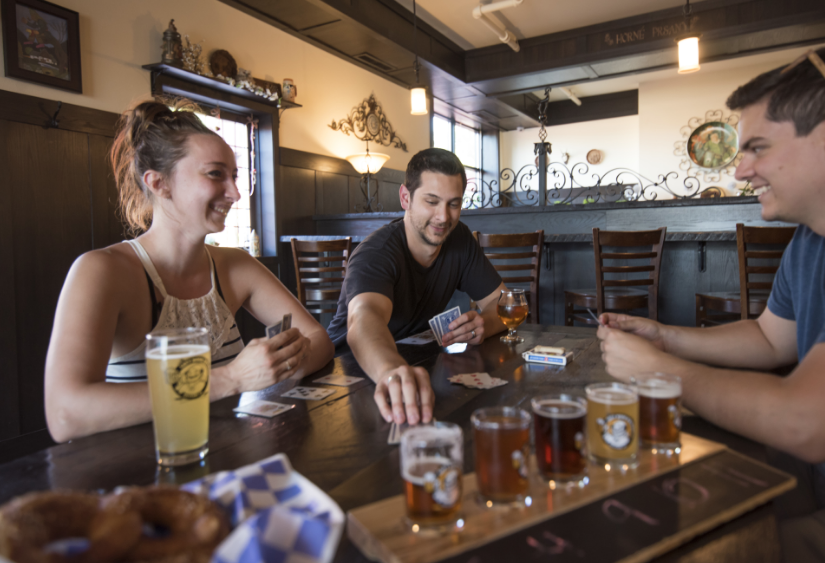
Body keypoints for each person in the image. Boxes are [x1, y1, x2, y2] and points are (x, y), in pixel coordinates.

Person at [598, 45, 825, 562]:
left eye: (756, 147)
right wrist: (666, 337)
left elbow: (808, 423)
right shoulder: (812, 239)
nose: (740, 170)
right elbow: (772, 338)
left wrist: (662, 374)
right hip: (813, 476)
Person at [44, 99, 334, 442]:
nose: (235, 192)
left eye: (234, 176)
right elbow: (65, 414)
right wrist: (233, 379)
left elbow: (318, 341)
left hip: (227, 453)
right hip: (137, 469)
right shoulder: (102, 271)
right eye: (215, 174)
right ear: (158, 183)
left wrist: (274, 364)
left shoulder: (236, 265)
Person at [327, 148, 508, 426]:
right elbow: (364, 321)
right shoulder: (376, 252)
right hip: (350, 374)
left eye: (453, 204)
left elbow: (503, 303)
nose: (443, 217)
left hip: (413, 366)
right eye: (431, 201)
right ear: (405, 198)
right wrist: (393, 371)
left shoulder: (458, 238)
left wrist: (485, 323)